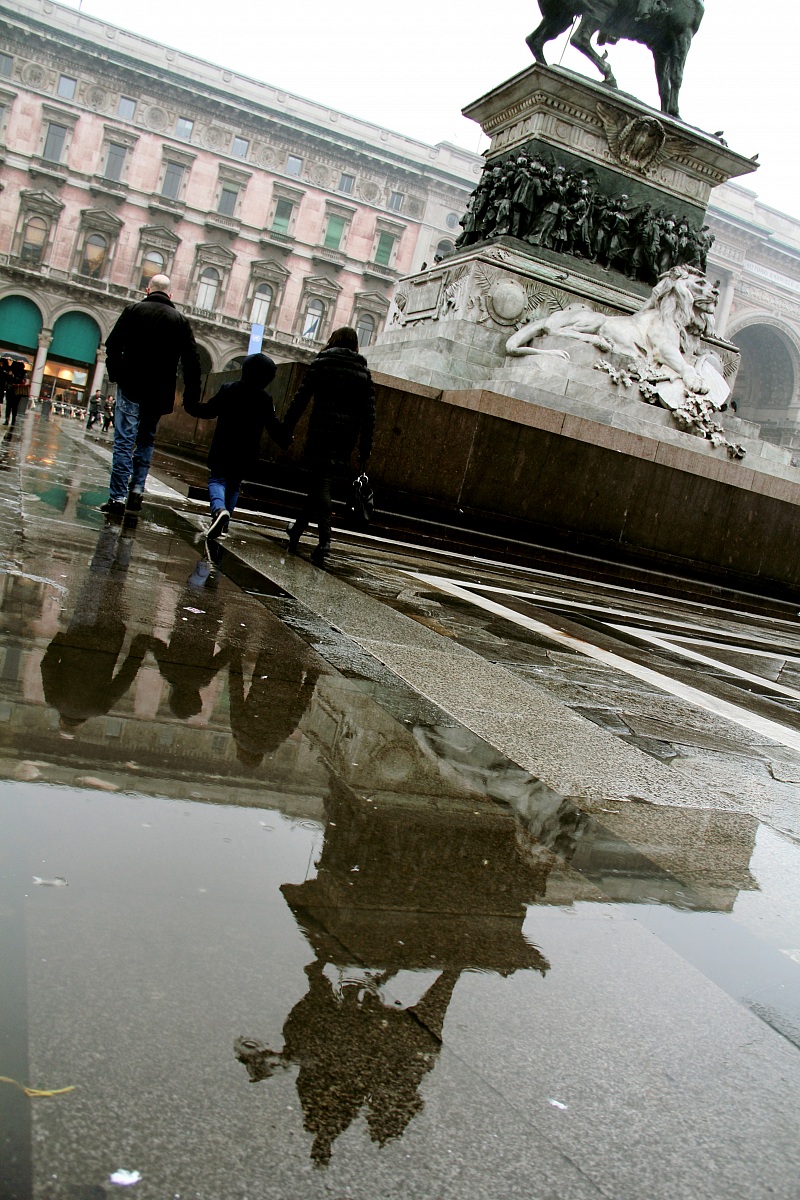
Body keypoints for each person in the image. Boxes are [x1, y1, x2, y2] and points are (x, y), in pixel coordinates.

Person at [102, 273, 201, 520]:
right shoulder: (180, 320)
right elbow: (192, 361)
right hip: (159, 392)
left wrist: (116, 374)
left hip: (131, 385)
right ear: (170, 295)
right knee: (146, 440)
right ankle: (137, 488)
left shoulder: (133, 311)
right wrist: (191, 396)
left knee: (124, 441)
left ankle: (117, 498)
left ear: (148, 290)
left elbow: (112, 345)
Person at [282, 327, 375, 567]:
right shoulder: (363, 373)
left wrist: (286, 428)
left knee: (321, 482)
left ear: (333, 341)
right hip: (346, 437)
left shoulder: (323, 362)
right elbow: (369, 415)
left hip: (321, 431)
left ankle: (325, 541)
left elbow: (301, 398)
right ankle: (297, 529)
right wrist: (365, 447)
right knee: (319, 483)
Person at [182, 352, 281, 542]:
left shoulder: (229, 389)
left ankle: (219, 510)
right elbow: (273, 426)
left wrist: (191, 406)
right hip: (246, 453)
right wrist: (285, 439)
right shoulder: (265, 399)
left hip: (223, 447)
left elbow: (209, 410)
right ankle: (224, 523)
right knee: (234, 485)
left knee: (217, 480)